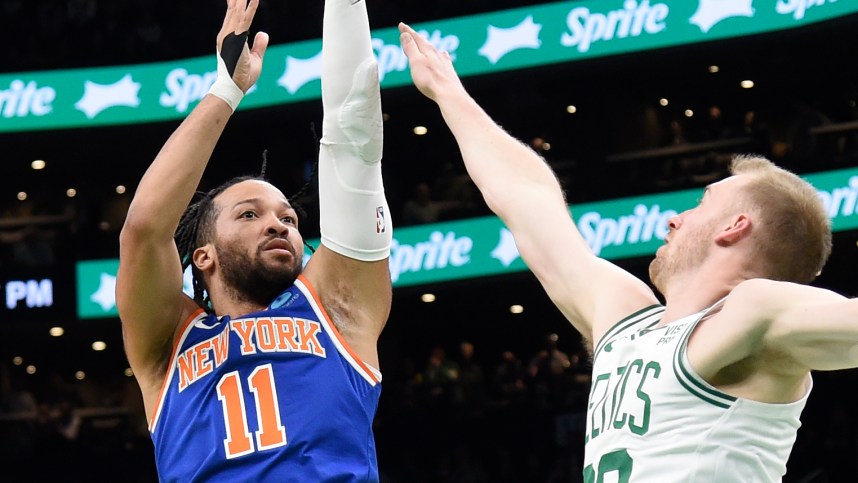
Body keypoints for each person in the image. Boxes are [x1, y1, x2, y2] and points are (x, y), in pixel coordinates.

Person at [398, 22, 858, 481]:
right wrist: (447, 93)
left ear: (735, 227)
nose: (674, 219)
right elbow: (527, 199)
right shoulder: (623, 317)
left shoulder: (756, 310)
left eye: (701, 203)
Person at [116, 0, 392, 480]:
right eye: (250, 214)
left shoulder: (337, 311)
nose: (279, 224)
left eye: (288, 218)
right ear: (202, 257)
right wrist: (227, 89)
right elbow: (143, 230)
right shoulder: (167, 343)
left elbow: (354, 140)